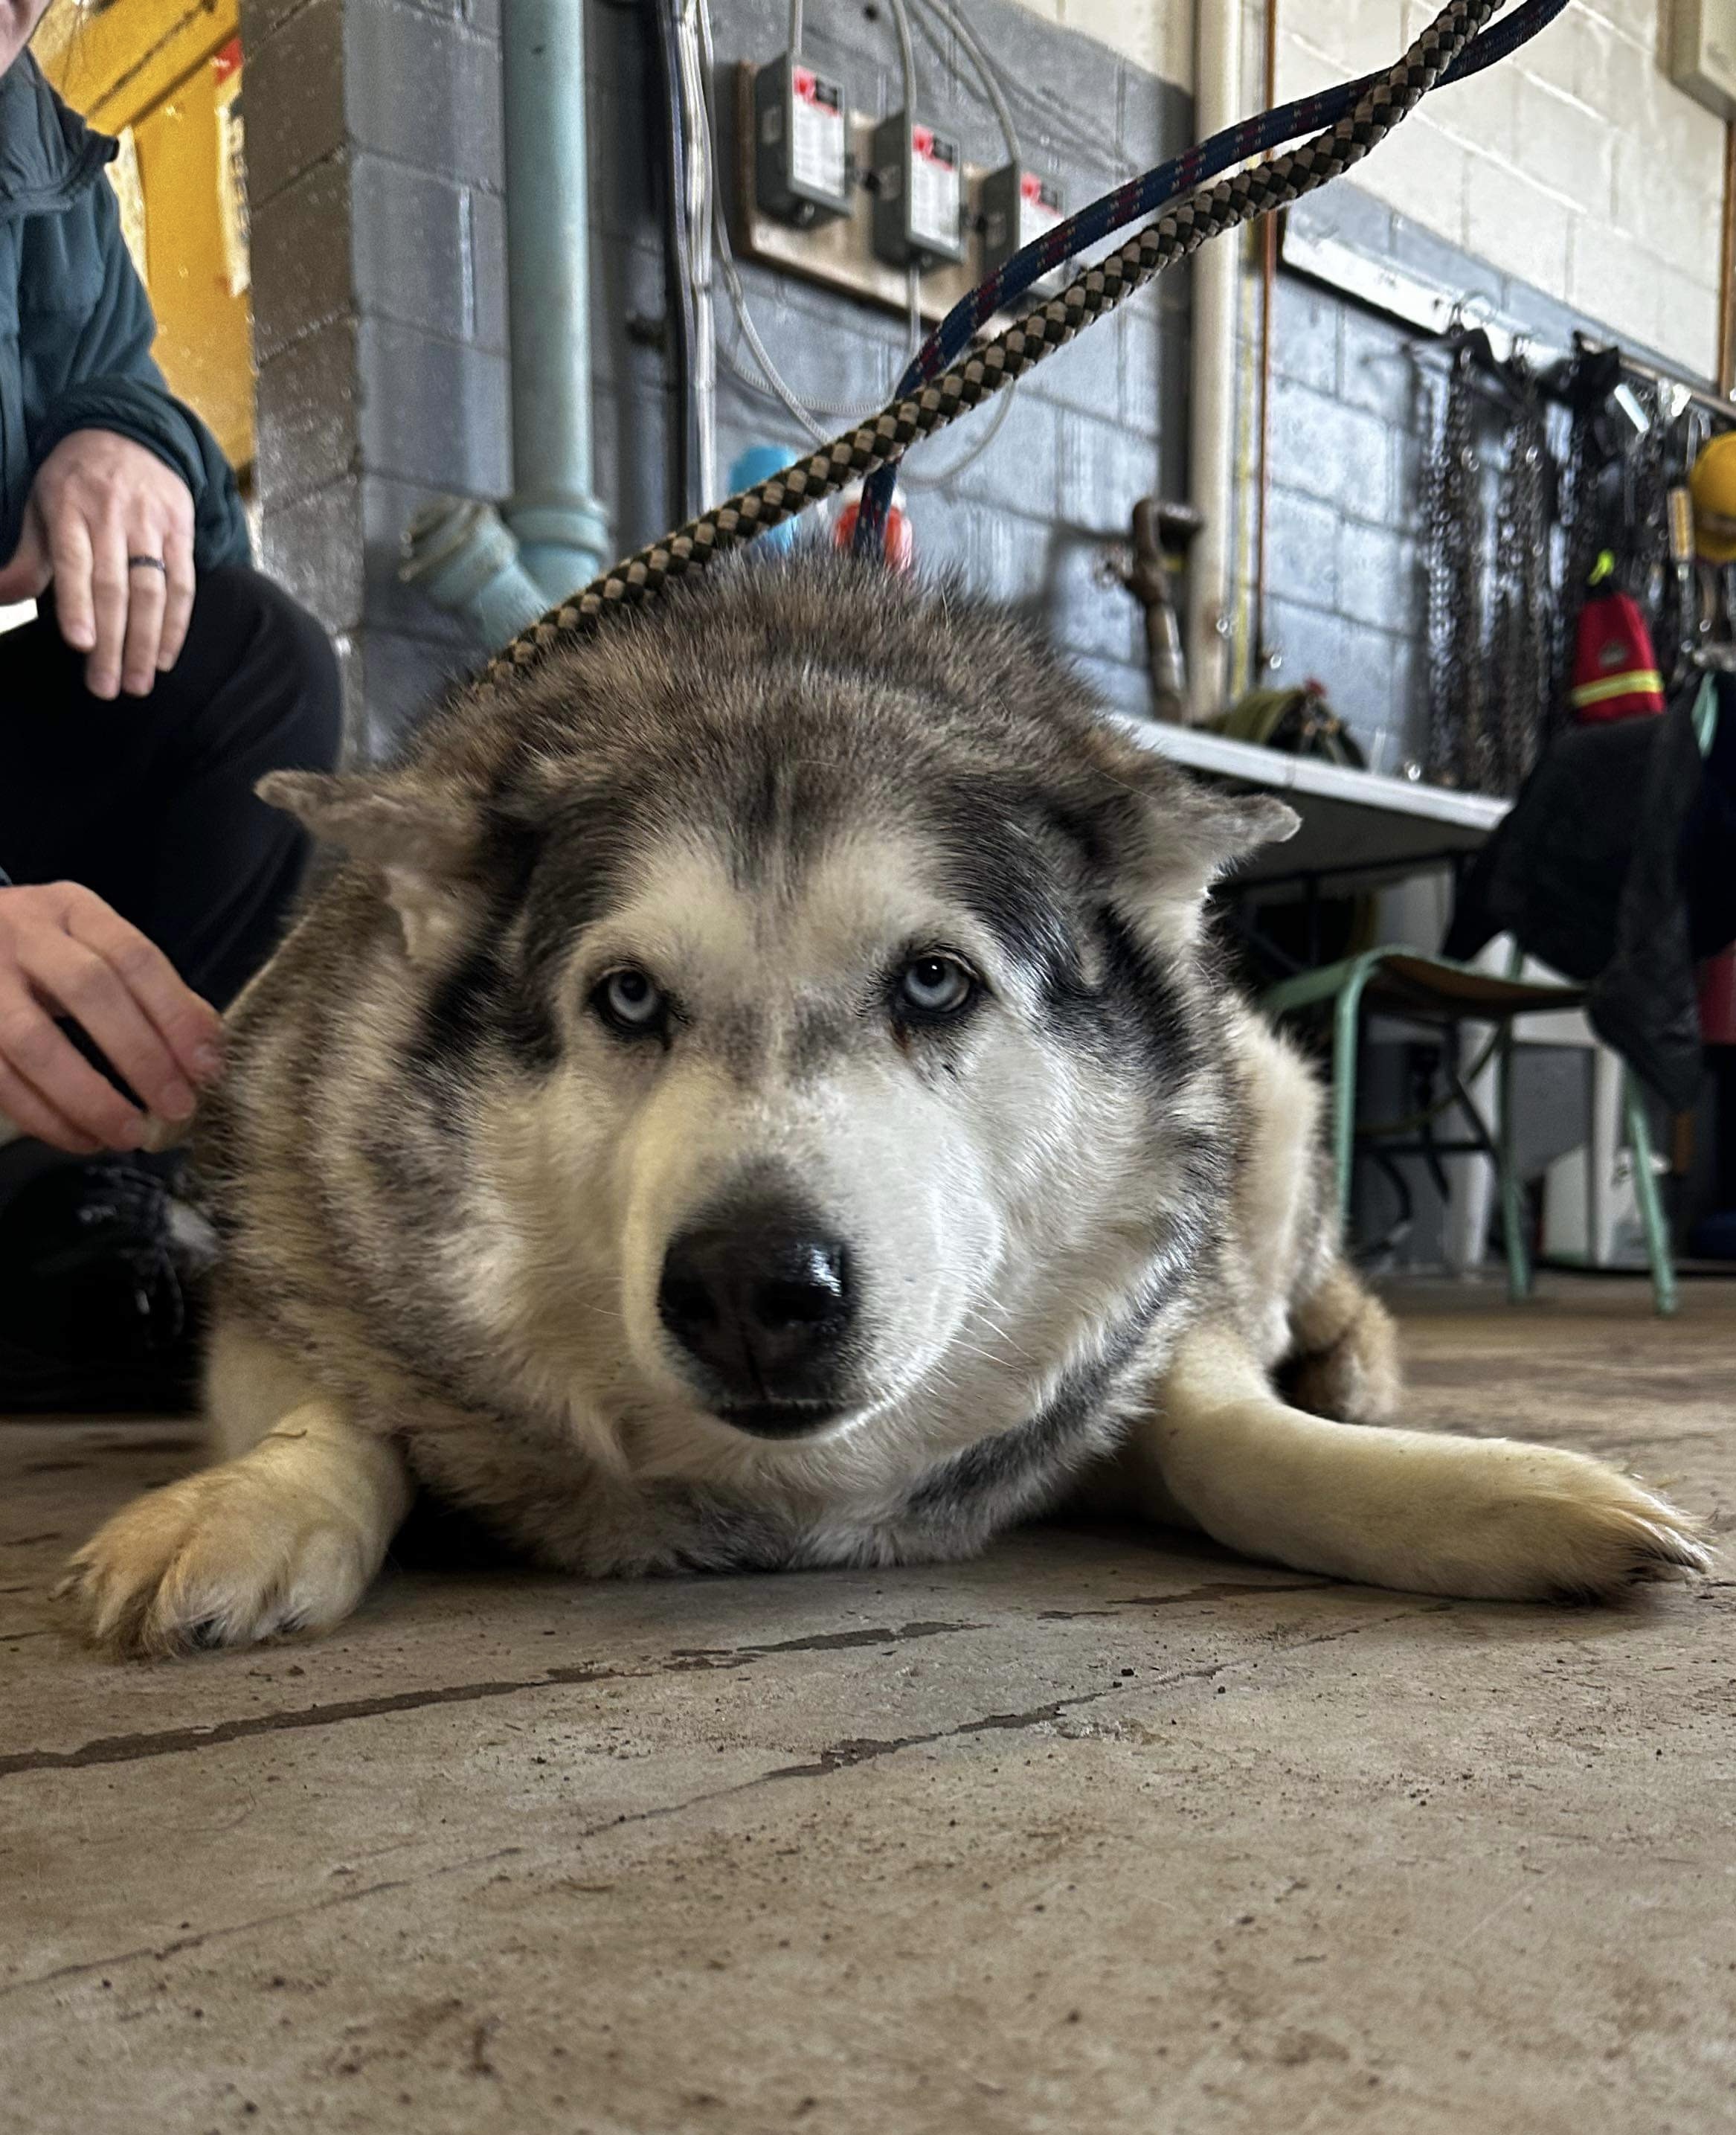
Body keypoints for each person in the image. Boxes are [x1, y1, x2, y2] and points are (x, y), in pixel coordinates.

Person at [0, 1, 341, 1409]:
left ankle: (68, 1219)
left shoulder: (43, 159)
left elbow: (127, 392)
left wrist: (121, 442)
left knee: (256, 660)